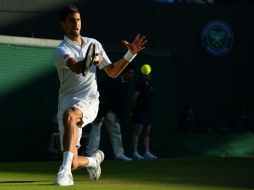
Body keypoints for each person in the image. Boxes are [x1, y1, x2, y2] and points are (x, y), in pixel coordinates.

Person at [54, 4, 147, 186]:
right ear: (62, 24)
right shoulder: (60, 50)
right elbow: (77, 67)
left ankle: (63, 173)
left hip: (89, 100)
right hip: (67, 102)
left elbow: (112, 72)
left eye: (78, 20)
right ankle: (94, 161)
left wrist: (130, 54)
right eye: (71, 20)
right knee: (73, 160)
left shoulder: (93, 44)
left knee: (70, 115)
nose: (76, 24)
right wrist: (90, 60)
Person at [86, 64, 135, 161]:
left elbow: (121, 102)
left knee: (116, 131)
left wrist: (118, 115)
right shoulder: (111, 82)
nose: (131, 75)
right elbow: (104, 98)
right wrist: (101, 114)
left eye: (132, 73)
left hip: (112, 111)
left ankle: (119, 154)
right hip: (99, 106)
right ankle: (91, 154)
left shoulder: (127, 84)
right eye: (129, 73)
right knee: (96, 129)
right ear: (123, 73)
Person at [131, 64, 157, 160]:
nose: (150, 75)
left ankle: (146, 152)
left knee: (146, 133)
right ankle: (135, 152)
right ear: (144, 75)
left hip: (148, 112)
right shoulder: (139, 85)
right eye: (149, 74)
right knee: (137, 132)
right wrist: (134, 110)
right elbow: (134, 99)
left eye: (150, 74)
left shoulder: (150, 85)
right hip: (139, 111)